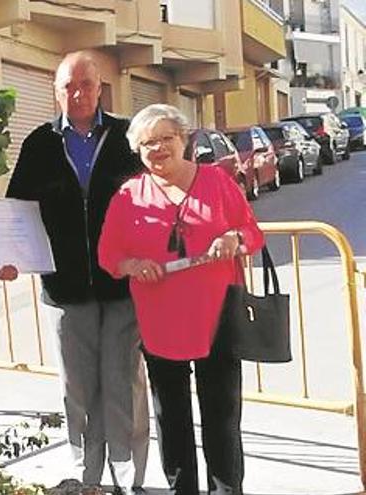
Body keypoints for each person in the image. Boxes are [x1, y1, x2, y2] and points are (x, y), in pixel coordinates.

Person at [0, 51, 149, 494]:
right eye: (68, 86)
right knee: (78, 388)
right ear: (56, 90)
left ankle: (129, 476)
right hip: (64, 289)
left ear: (100, 87)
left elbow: (155, 199)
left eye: (85, 84)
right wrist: (7, 257)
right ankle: (87, 476)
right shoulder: (39, 143)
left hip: (123, 285)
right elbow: (16, 211)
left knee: (124, 383)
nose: (77, 93)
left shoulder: (127, 136)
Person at [98, 104, 264, 495]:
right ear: (137, 151)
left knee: (221, 414)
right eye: (147, 143)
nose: (157, 149)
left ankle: (226, 490)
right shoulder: (128, 196)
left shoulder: (217, 181)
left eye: (165, 139)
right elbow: (109, 256)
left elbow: (251, 232)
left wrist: (233, 239)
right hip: (160, 321)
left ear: (185, 139)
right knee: (171, 417)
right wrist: (133, 264)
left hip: (217, 316)